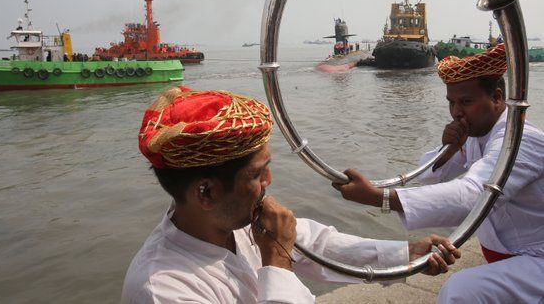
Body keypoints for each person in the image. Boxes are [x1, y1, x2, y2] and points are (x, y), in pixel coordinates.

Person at [121, 87, 460, 303]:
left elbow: (317, 245)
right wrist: (278, 262)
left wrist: (405, 256)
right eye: (256, 174)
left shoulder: (231, 219)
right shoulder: (161, 289)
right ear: (206, 192)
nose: (269, 180)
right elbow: (290, 251)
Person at [333, 43, 544, 303]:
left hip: (537, 260)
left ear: (497, 98)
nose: (456, 112)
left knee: (461, 290)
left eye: (466, 101)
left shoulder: (520, 141)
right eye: (451, 103)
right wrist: (450, 150)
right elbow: (429, 175)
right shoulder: (478, 133)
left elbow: (474, 194)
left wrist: (380, 198)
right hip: (513, 258)